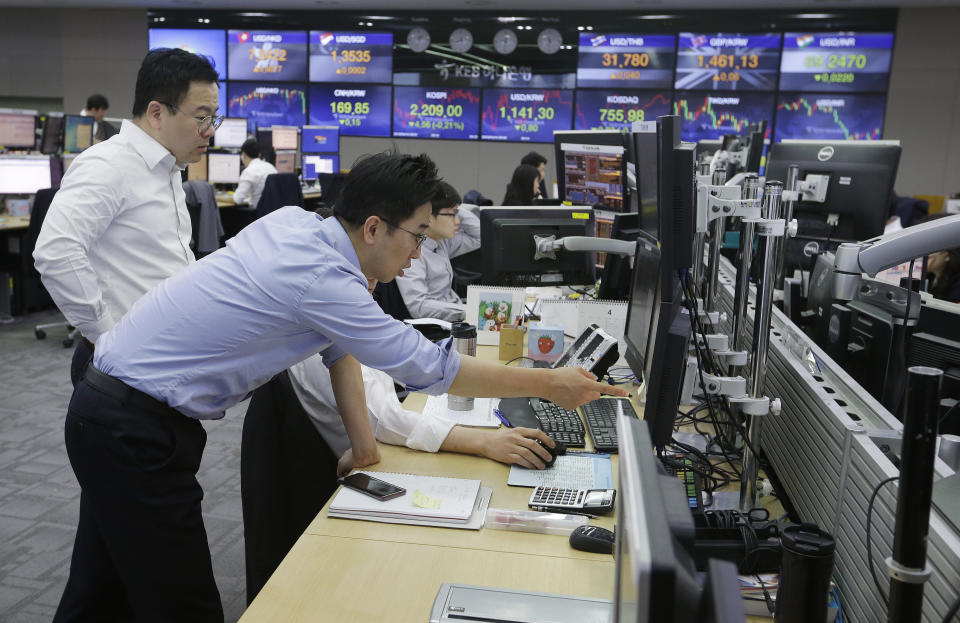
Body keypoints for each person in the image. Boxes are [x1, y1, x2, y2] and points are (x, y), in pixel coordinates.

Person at [58, 150, 626, 620]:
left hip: (115, 410)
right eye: (418, 236)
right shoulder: (321, 276)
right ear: (375, 227)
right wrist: (550, 384)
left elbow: (338, 350)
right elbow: (427, 366)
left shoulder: (300, 227)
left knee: (98, 592)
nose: (419, 254)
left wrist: (364, 447)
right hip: (131, 427)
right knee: (183, 604)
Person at [34, 48, 220, 388]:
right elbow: (56, 252)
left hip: (160, 361)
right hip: (122, 369)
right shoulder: (110, 165)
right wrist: (108, 340)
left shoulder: (168, 168)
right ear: (156, 112)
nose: (210, 131)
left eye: (214, 117)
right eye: (202, 117)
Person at [396, 181, 479, 321]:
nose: (458, 221)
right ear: (428, 216)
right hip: (435, 328)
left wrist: (453, 205)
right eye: (451, 214)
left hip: (455, 315)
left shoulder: (442, 243)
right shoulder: (412, 251)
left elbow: (480, 235)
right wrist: (468, 311)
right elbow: (419, 306)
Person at [232, 137, 278, 209]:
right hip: (273, 213)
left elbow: (238, 200)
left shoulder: (248, 171)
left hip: (256, 215)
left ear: (244, 155)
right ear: (259, 155)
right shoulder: (271, 167)